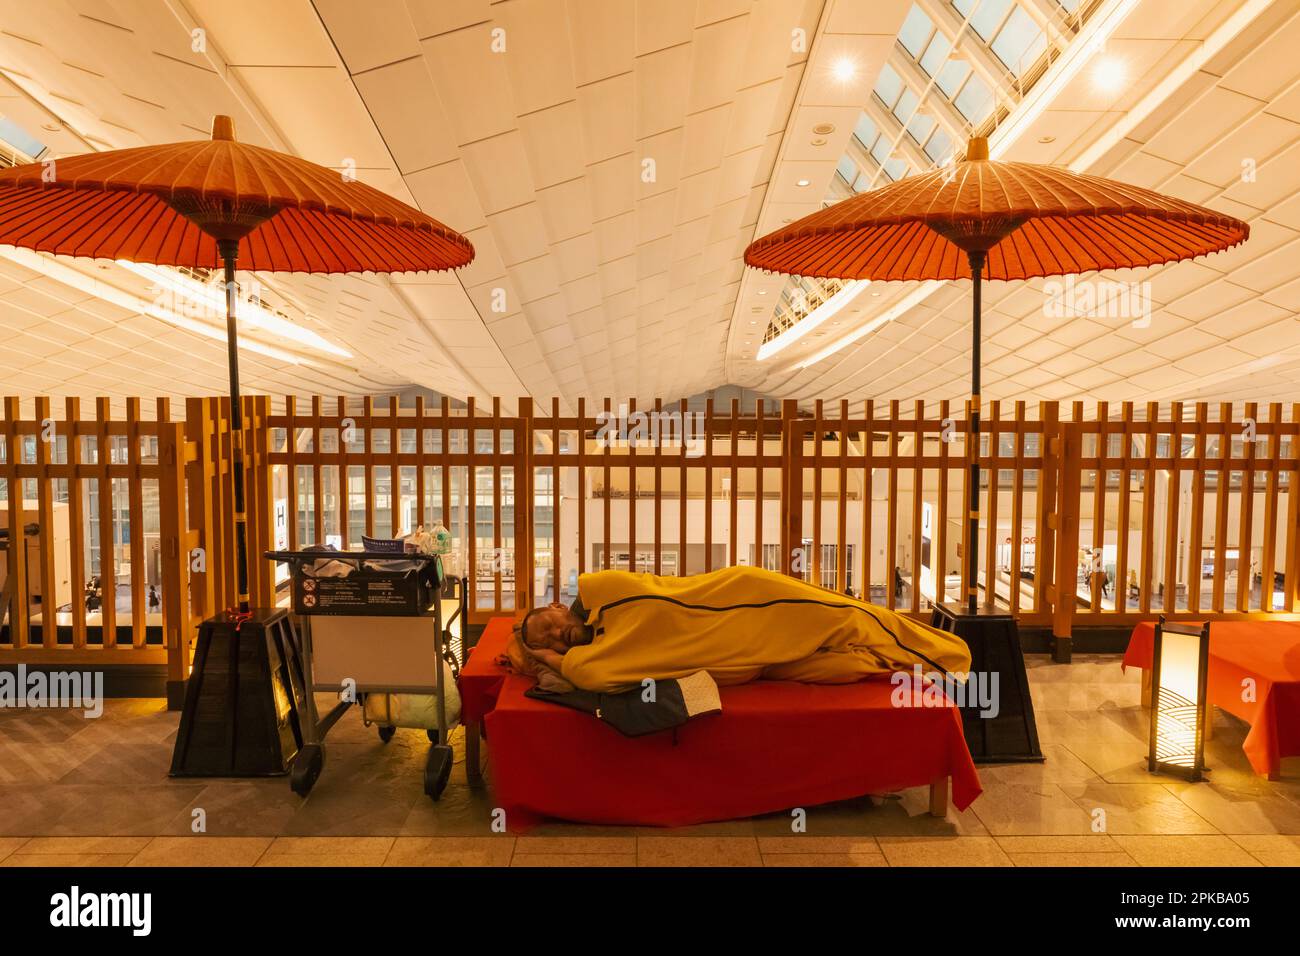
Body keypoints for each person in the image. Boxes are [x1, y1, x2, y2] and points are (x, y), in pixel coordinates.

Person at [509, 565, 971, 694]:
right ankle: (899, 664)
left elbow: (586, 616)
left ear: (556, 605)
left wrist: (555, 650)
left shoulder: (601, 594)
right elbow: (589, 675)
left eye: (548, 626)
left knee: (854, 617)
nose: (554, 638)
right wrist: (548, 659)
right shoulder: (597, 660)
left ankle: (957, 659)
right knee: (837, 664)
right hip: (749, 660)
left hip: (749, 601)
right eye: (543, 644)